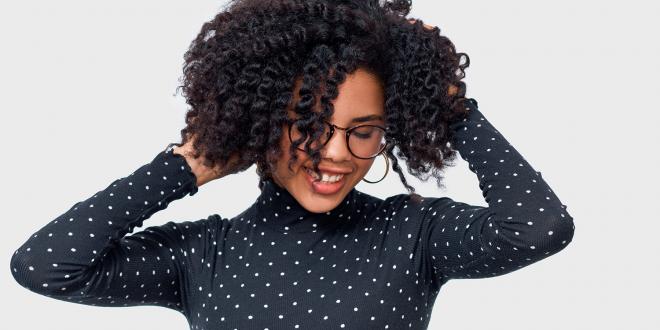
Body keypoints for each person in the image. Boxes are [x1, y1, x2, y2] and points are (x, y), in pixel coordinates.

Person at [9, 0, 575, 329]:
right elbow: (45, 267)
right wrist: (187, 165)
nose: (334, 154)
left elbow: (540, 228)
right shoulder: (203, 254)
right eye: (307, 125)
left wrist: (453, 109)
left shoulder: (413, 234)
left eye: (364, 132)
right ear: (257, 121)